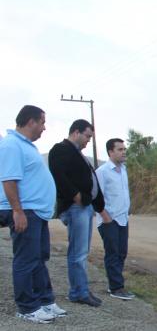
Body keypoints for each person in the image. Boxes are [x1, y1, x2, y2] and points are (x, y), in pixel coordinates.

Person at [0, 105, 66, 323]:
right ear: (31, 122)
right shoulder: (11, 145)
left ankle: (45, 301)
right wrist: (18, 212)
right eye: (42, 122)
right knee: (26, 260)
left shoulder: (26, 146)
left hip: (36, 213)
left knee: (38, 258)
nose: (44, 128)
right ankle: (27, 307)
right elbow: (9, 180)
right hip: (25, 211)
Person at [48, 119, 108, 307]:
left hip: (84, 207)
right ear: (76, 132)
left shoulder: (79, 154)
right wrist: (76, 197)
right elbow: (59, 175)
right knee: (78, 253)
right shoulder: (61, 149)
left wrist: (99, 207)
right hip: (76, 207)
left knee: (82, 251)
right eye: (87, 136)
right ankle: (78, 292)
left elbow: (90, 182)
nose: (88, 140)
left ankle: (81, 289)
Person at [95, 138, 135, 300]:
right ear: (110, 152)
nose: (124, 152)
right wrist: (105, 216)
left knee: (122, 252)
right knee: (113, 253)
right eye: (120, 149)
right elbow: (97, 196)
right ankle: (116, 288)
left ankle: (117, 284)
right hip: (109, 220)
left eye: (124, 149)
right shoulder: (102, 172)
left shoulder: (123, 169)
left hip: (123, 218)